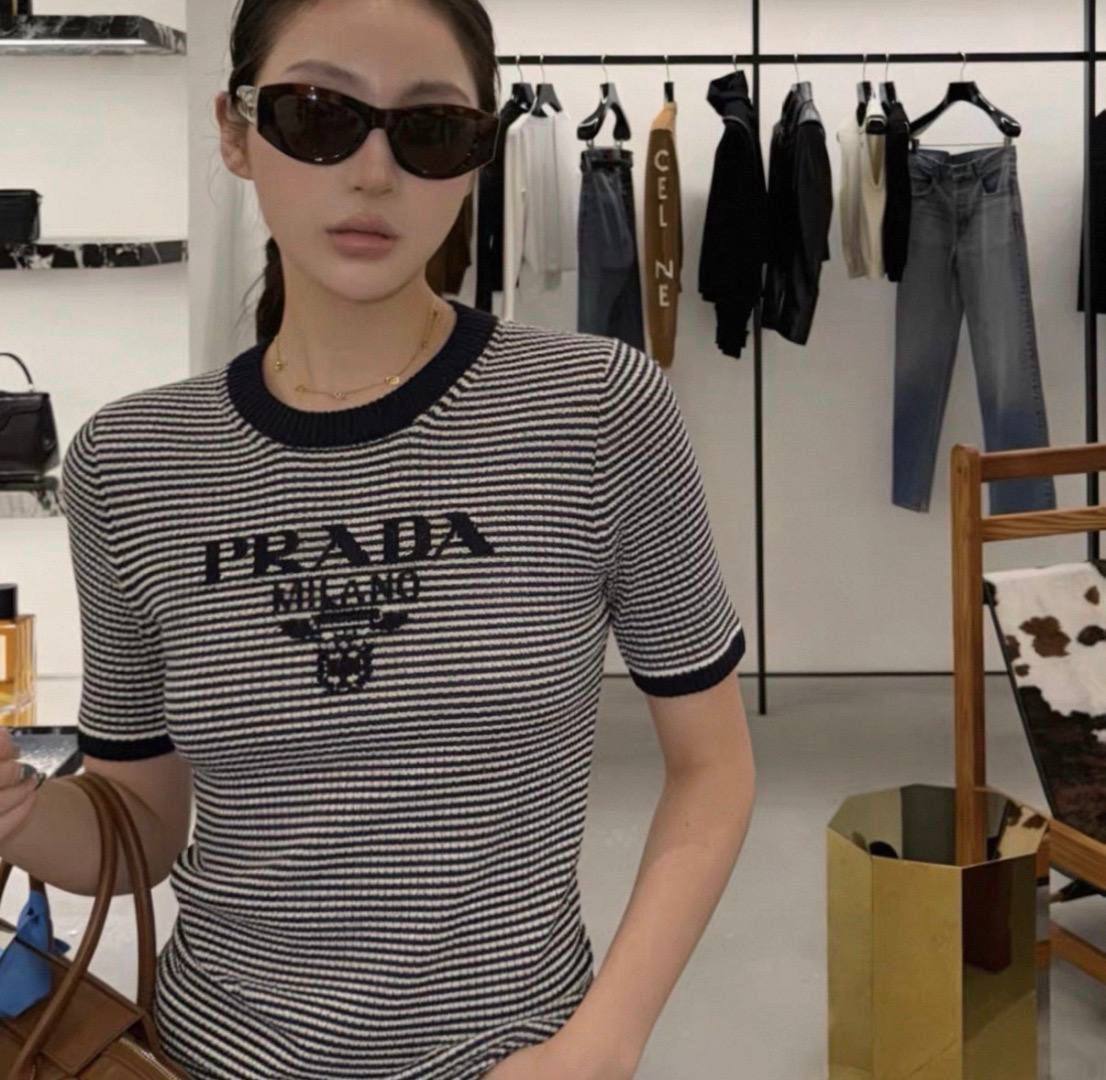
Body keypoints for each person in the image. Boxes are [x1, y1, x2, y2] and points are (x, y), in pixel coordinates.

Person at [0, 1, 755, 1077]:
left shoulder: (591, 411)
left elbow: (712, 767)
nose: (372, 172)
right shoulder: (134, 462)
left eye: (430, 130)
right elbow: (140, 824)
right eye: (317, 115)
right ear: (235, 131)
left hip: (511, 1052)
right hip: (213, 1051)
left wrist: (603, 1039)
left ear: (478, 155)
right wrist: (19, 816)